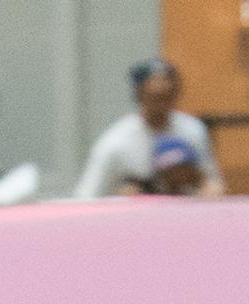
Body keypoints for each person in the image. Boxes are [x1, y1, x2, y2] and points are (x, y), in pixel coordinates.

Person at [77, 56, 226, 199]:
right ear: (139, 93)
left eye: (168, 95)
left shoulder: (193, 130)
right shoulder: (116, 142)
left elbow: (212, 182)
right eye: (155, 97)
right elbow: (87, 195)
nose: (162, 104)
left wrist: (205, 189)